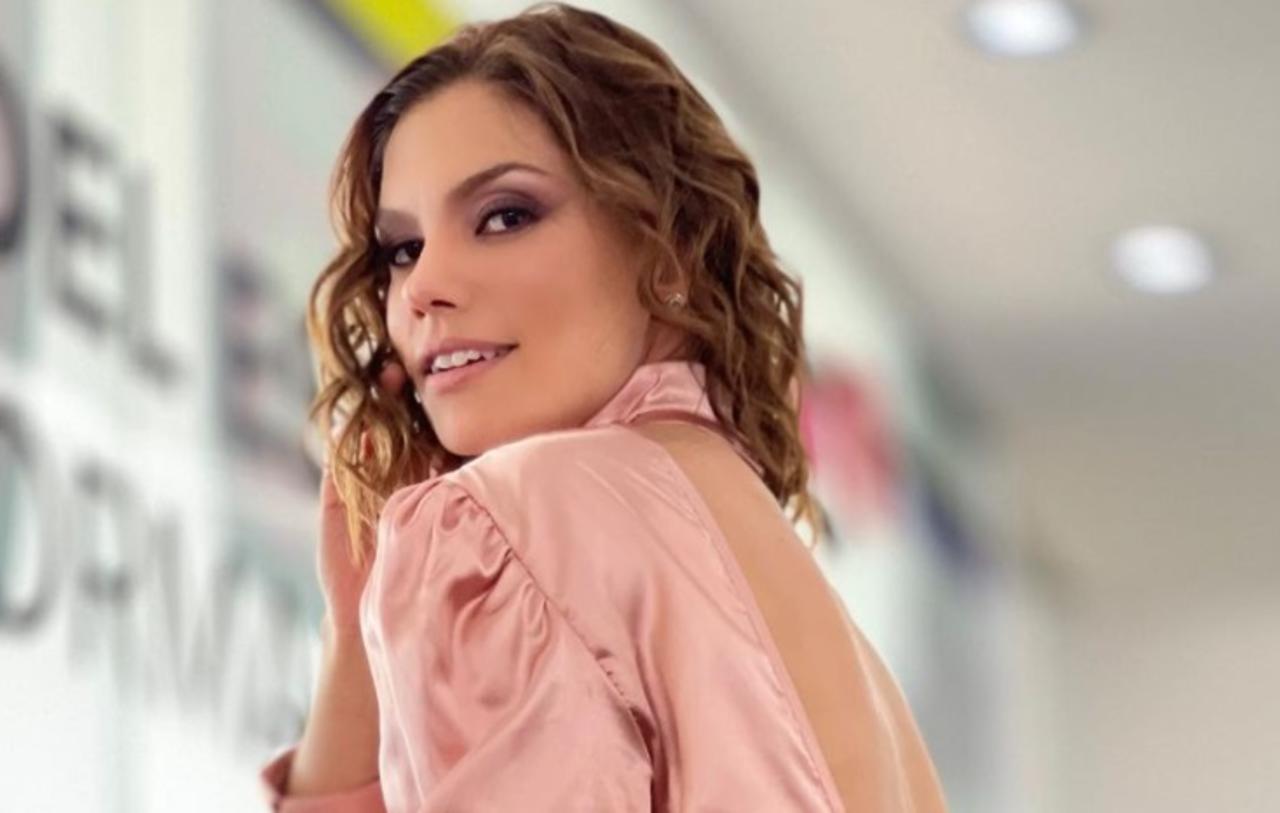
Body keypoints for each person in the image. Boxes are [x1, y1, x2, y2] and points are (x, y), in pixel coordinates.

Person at [258, 3, 948, 810]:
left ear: (667, 248)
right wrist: (356, 637)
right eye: (403, 249)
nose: (424, 287)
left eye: (505, 216)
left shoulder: (505, 523)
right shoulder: (838, 643)